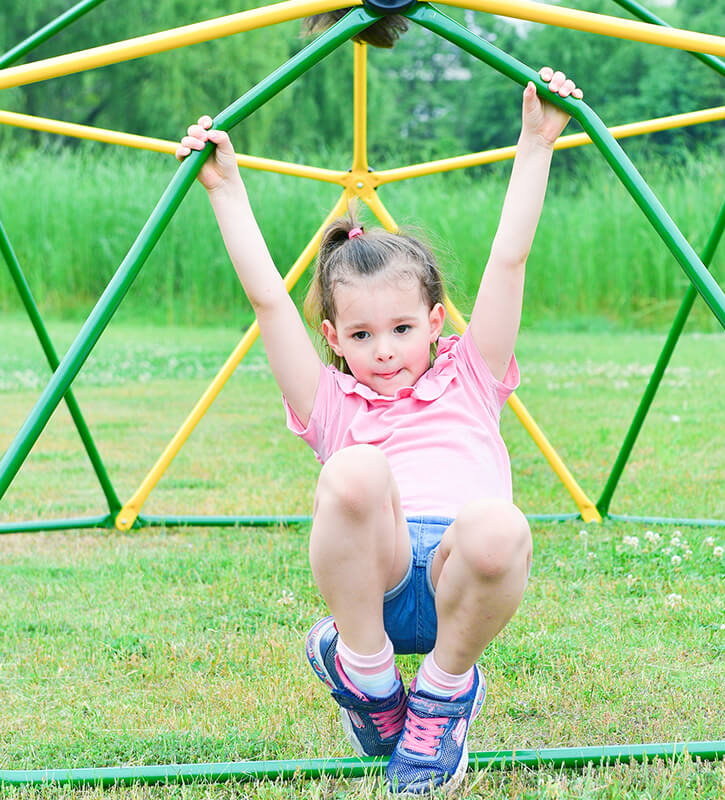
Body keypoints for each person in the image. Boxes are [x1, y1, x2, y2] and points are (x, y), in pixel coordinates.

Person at [177, 66, 582, 794]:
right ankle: (365, 673)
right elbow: (270, 300)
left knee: (501, 523)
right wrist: (225, 188)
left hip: (460, 576)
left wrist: (536, 145)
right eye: (362, 335)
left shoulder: (472, 374)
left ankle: (440, 696)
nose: (384, 350)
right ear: (334, 339)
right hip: (379, 578)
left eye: (401, 328)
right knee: (355, 470)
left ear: (435, 323)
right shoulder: (332, 402)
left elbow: (509, 257)